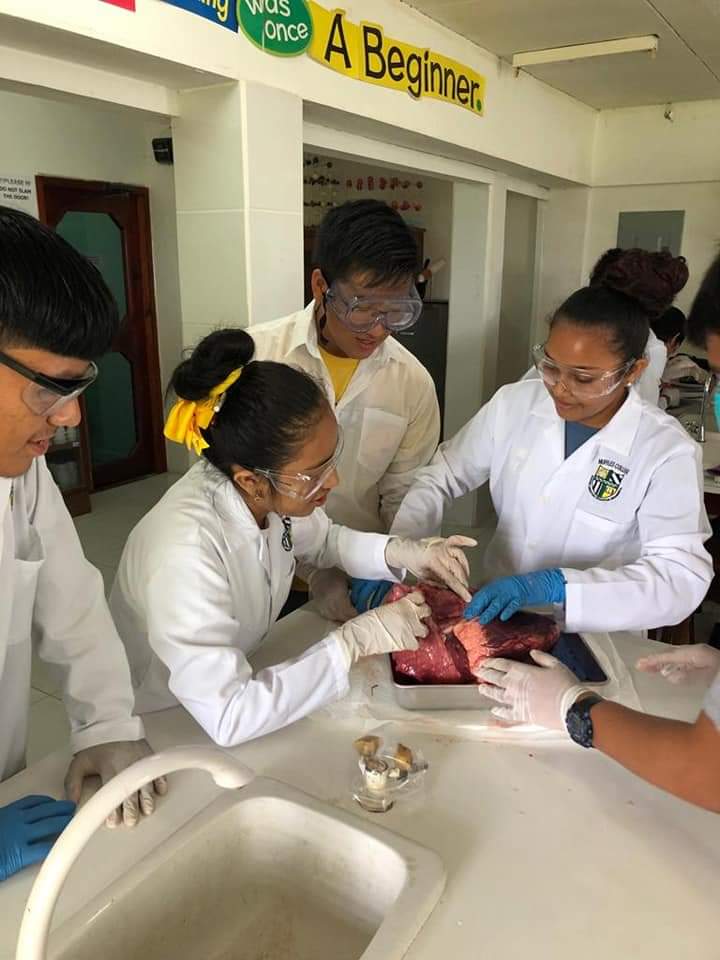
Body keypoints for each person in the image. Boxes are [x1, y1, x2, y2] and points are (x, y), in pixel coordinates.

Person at [110, 329, 473, 748]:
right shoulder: (185, 553)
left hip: (234, 687)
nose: (333, 481)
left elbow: (325, 541)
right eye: (315, 472)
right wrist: (353, 642)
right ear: (251, 480)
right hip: (168, 720)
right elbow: (231, 715)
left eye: (331, 459)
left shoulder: (258, 494)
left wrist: (407, 553)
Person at [388, 248, 712, 636]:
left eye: (584, 378)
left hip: (598, 639)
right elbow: (440, 477)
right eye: (551, 365)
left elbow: (680, 578)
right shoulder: (514, 405)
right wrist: (402, 552)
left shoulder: (664, 449)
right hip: (497, 622)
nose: (560, 387)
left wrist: (561, 587)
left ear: (634, 371)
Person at [0, 208, 165, 883]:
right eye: (51, 388)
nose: (70, 417)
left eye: (79, 385)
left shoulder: (19, 473)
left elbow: (71, 600)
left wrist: (105, 724)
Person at [248, 200, 441, 621]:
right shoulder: (258, 358)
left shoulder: (412, 383)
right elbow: (235, 486)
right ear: (320, 285)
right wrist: (314, 572)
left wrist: (403, 564)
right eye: (364, 308)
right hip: (259, 573)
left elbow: (405, 493)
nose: (378, 329)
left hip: (362, 578)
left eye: (395, 311)